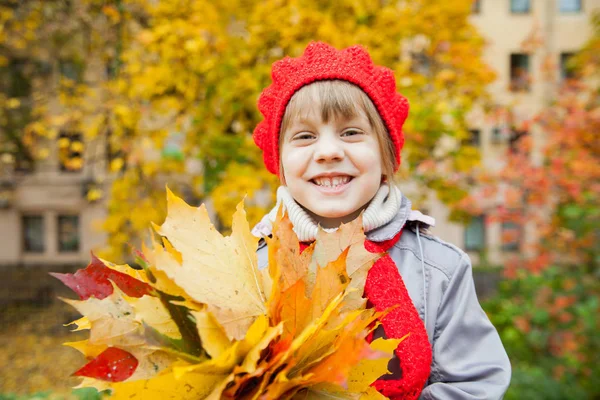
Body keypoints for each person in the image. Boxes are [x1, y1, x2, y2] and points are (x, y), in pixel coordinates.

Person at [251, 41, 511, 400]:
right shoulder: (250, 268)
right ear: (279, 163)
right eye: (305, 136)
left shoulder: (440, 270)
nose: (328, 152)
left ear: (386, 155)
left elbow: (476, 384)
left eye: (351, 132)